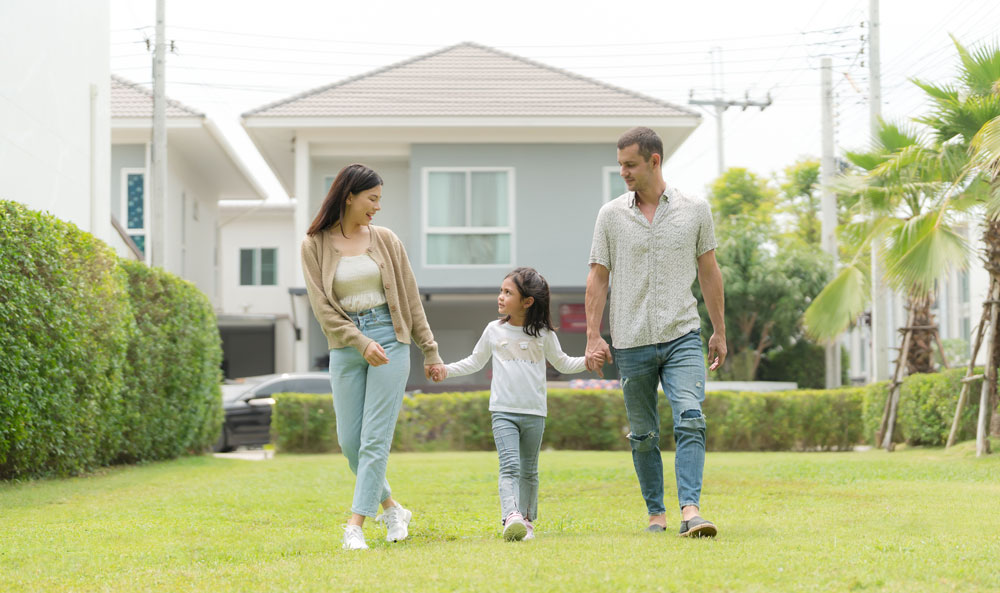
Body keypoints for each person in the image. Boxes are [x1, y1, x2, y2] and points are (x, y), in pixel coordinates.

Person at [586, 127, 727, 537]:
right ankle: (656, 514)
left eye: (630, 165)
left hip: (682, 333)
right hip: (630, 340)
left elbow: (709, 272)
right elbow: (597, 276)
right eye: (620, 166)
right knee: (644, 434)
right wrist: (594, 336)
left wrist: (718, 330)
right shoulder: (610, 215)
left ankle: (690, 510)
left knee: (691, 416)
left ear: (654, 160)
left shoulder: (695, 209)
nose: (624, 173)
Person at [301, 163, 445, 550]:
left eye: (380, 199)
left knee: (374, 439)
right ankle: (393, 508)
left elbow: (410, 299)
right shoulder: (314, 244)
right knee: (350, 441)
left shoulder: (386, 240)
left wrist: (429, 350)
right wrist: (358, 341)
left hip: (391, 337)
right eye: (373, 198)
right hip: (346, 344)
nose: (377, 207)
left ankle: (355, 526)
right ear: (349, 196)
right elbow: (322, 308)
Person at [431, 267, 587, 541]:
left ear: (527, 302)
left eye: (508, 292)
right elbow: (474, 361)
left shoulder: (543, 334)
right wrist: (446, 369)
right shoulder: (494, 330)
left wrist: (589, 360)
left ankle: (526, 521)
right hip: (503, 412)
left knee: (529, 470)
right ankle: (510, 516)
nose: (500, 297)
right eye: (501, 291)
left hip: (535, 413)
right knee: (510, 467)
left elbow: (563, 362)